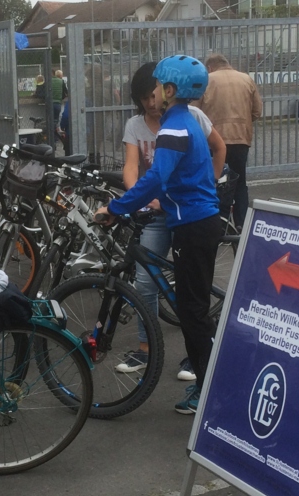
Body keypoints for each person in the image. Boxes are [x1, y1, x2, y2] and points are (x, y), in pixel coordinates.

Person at [95, 55, 223, 415]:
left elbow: (156, 177)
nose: (152, 97)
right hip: (195, 222)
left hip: (193, 226)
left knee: (193, 312)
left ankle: (208, 386)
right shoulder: (182, 121)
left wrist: (115, 208)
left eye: (156, 88)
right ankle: (207, 377)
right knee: (191, 307)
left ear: (169, 90)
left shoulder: (174, 128)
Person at [199, 53, 262, 229]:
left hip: (214, 142)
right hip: (241, 139)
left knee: (216, 182)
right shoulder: (246, 79)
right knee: (240, 182)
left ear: (210, 68)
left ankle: (218, 224)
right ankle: (241, 225)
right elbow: (257, 111)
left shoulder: (207, 80)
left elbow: (195, 112)